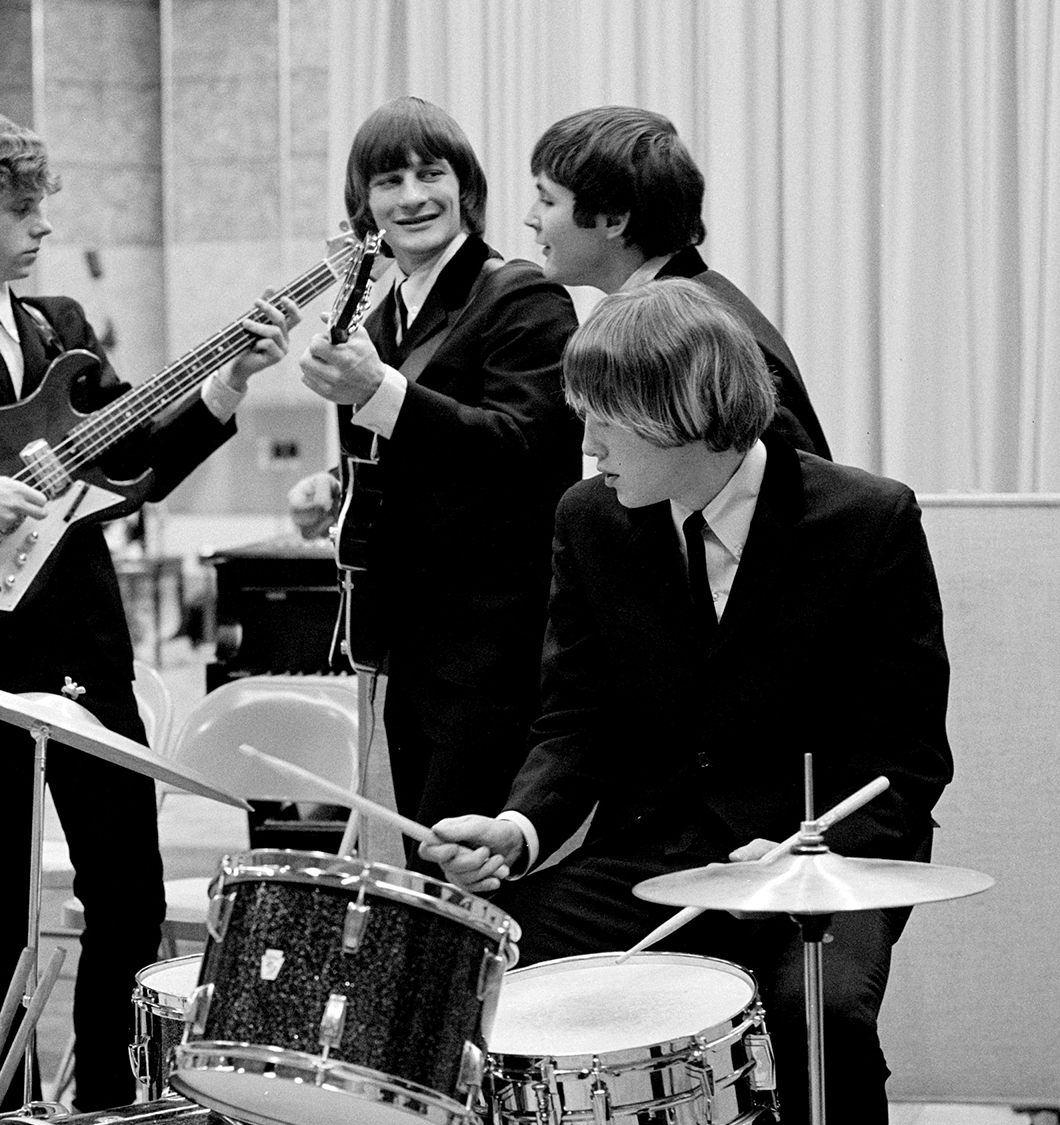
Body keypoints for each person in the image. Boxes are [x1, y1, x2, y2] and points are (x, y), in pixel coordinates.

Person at [422, 278, 952, 1124]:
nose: (587, 444)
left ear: (686, 411)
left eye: (604, 418)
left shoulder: (869, 519)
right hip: (654, 852)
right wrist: (518, 828)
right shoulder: (590, 519)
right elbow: (575, 721)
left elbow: (907, 759)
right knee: (477, 977)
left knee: (822, 1018)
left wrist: (804, 850)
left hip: (815, 861)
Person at [0, 112, 298, 1111]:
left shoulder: (57, 327)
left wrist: (228, 384)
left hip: (86, 645)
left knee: (129, 888)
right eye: (21, 209)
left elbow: (133, 467)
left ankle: (110, 1096)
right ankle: (10, 1104)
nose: (41, 227)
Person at [289, 96, 580, 864]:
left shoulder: (522, 297)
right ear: (365, 203)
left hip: (494, 650)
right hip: (409, 646)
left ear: (466, 187)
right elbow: (412, 453)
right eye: (389, 181)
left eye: (430, 174)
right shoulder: (380, 318)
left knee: (466, 871)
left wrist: (380, 392)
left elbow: (529, 450)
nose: (412, 196)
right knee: (430, 865)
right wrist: (336, 487)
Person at [526, 105, 833, 459]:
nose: (531, 218)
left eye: (547, 200)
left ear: (613, 220)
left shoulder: (693, 329)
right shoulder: (691, 306)